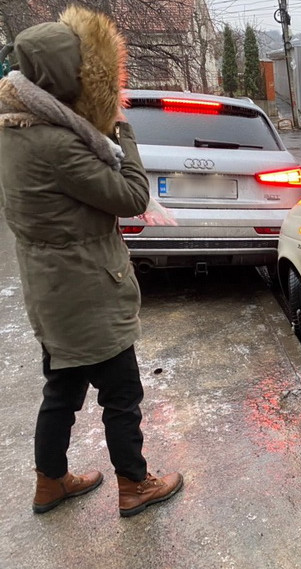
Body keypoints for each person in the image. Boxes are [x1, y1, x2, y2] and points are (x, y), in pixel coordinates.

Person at [0, 6, 182, 517]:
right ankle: (135, 485)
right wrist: (123, 132)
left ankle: (50, 482)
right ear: (66, 74)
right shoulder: (57, 143)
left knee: (62, 389)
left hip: (52, 290)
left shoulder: (14, 130)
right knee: (121, 394)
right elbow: (130, 195)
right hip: (86, 294)